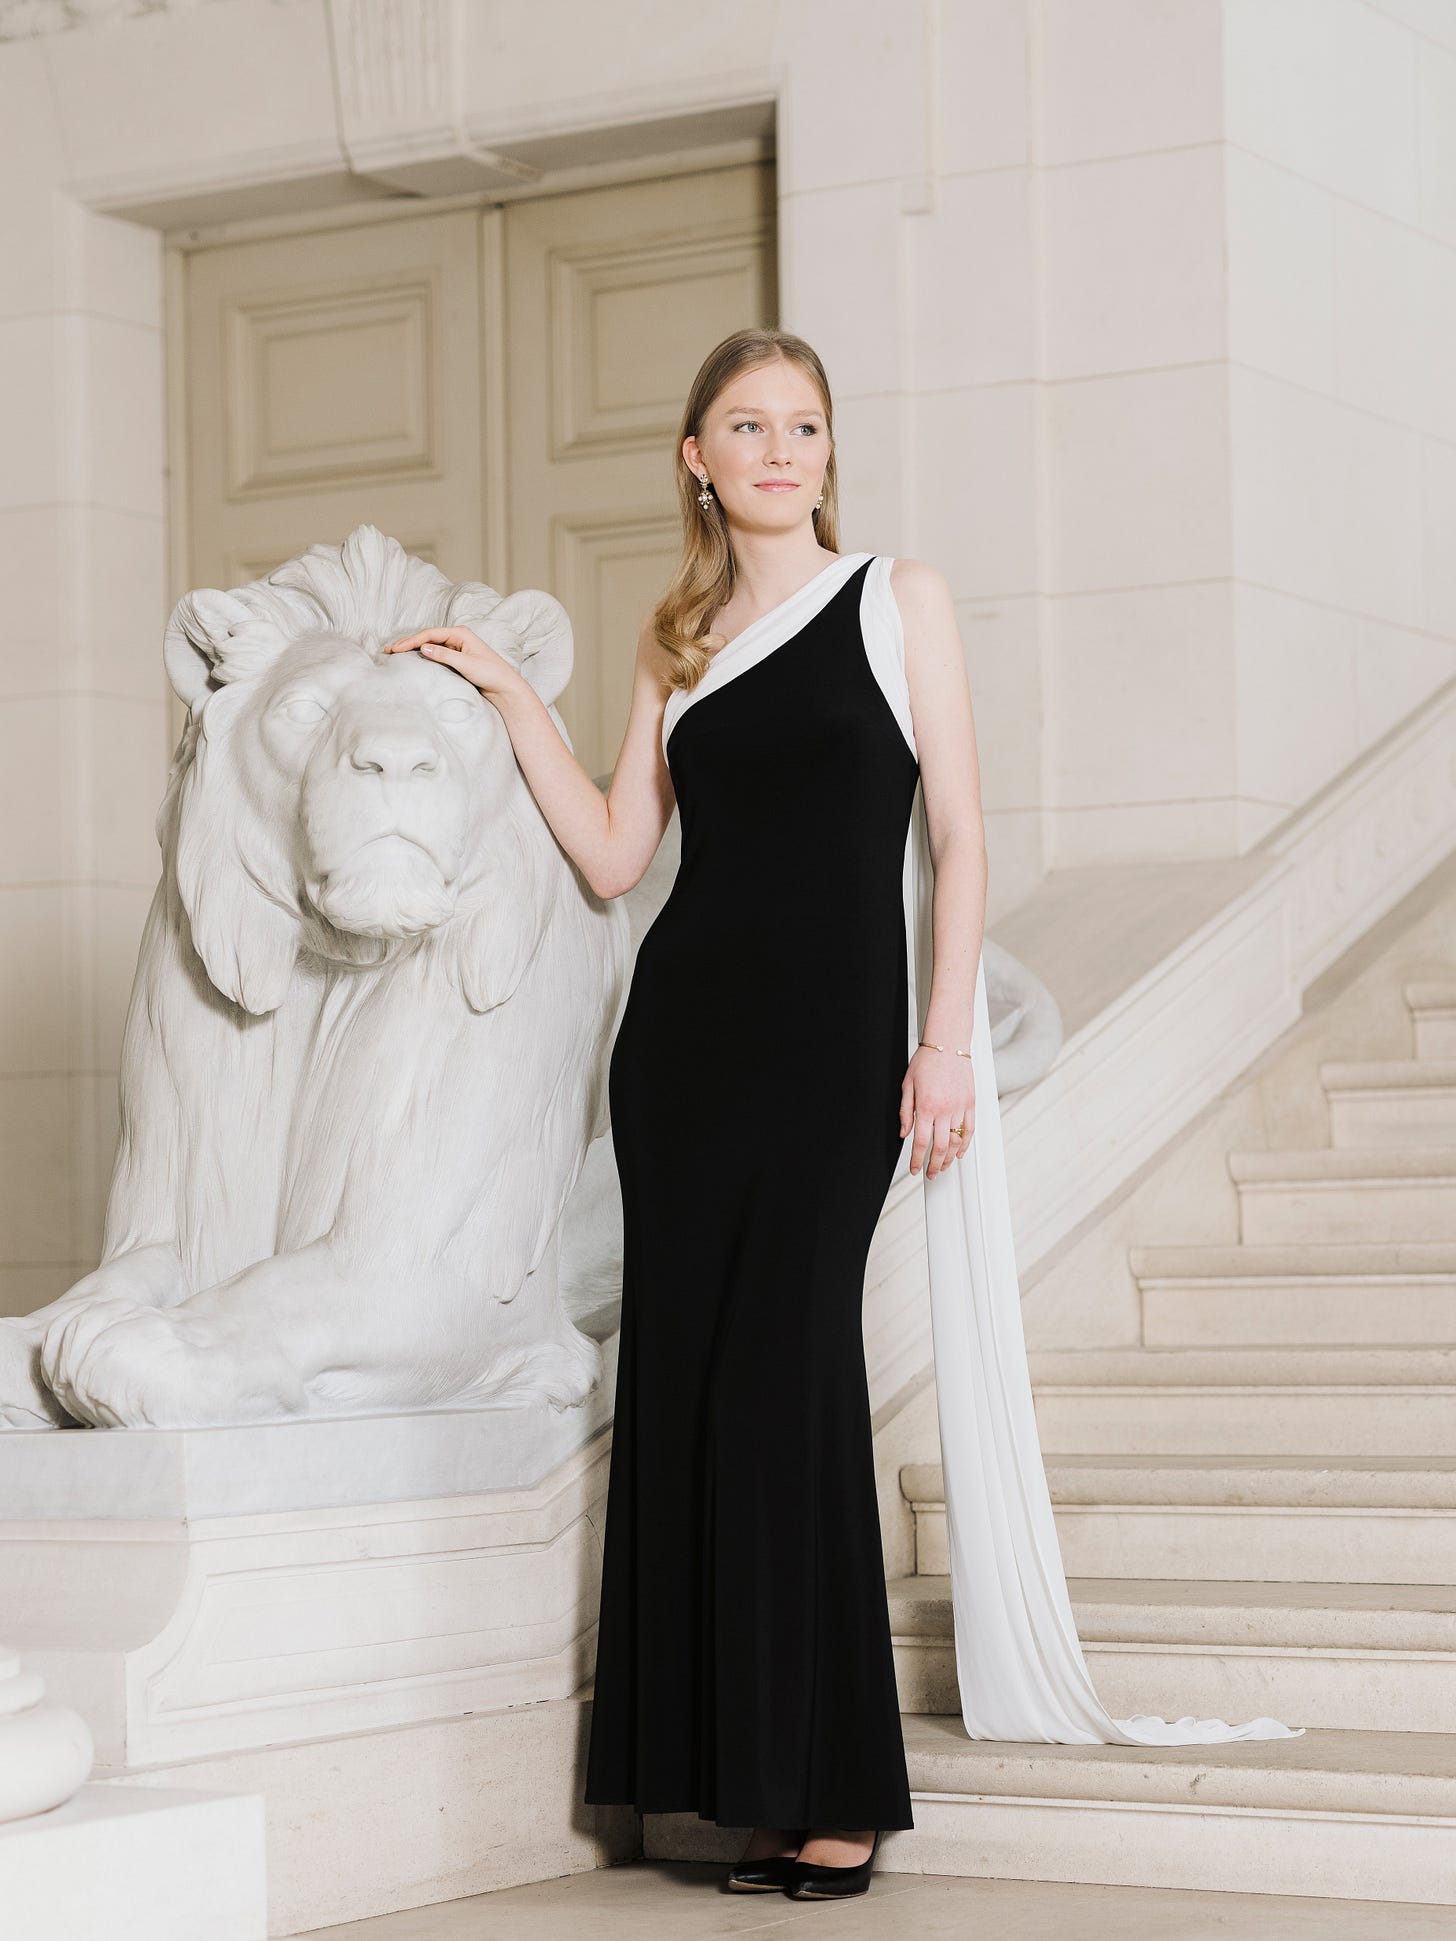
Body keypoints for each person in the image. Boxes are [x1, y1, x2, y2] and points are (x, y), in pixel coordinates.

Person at [386, 325, 985, 1903]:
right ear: (696, 458)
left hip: (836, 1056)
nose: (781, 450)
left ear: (827, 452)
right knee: (701, 1397)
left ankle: (835, 1791)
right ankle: (749, 1791)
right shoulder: (674, 640)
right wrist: (514, 693)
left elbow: (962, 839)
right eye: (748, 424)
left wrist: (942, 1044)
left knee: (794, 1384)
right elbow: (611, 851)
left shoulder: (898, 598)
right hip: (686, 1060)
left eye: (804, 425)